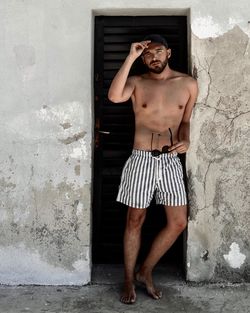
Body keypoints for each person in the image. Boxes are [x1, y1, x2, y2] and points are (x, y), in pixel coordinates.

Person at [108, 34, 198, 304]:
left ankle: (145, 270)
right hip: (141, 159)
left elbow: (186, 120)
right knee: (134, 220)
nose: (153, 57)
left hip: (170, 160)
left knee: (178, 222)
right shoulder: (136, 82)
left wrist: (186, 139)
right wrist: (130, 56)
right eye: (148, 53)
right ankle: (128, 279)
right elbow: (114, 97)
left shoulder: (188, 84)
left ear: (169, 53)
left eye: (158, 51)